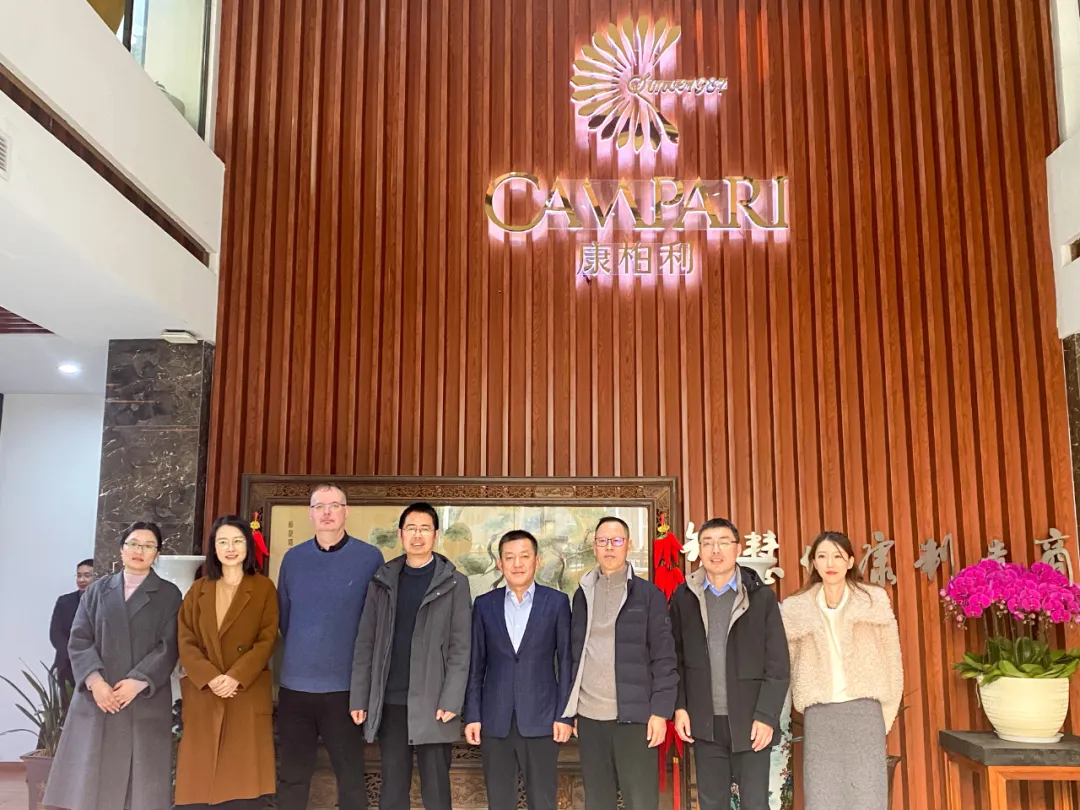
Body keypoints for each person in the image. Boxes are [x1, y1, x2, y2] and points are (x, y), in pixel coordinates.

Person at [42, 522, 182, 810]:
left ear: (157, 554)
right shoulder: (97, 591)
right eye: (133, 544)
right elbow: (79, 639)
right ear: (121, 549)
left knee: (140, 787)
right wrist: (95, 682)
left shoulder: (169, 594)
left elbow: (169, 645)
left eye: (148, 546)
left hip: (143, 698)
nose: (139, 551)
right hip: (99, 698)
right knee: (91, 782)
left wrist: (138, 681)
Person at [350, 502, 472, 810]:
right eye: (411, 529)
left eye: (425, 529)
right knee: (392, 787)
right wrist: (360, 698)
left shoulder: (455, 583)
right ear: (400, 534)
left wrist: (451, 700)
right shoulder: (383, 580)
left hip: (434, 702)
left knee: (436, 789)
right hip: (391, 701)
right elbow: (366, 643)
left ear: (436, 535)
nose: (418, 535)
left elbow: (461, 648)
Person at [668, 517, 790, 810]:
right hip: (705, 722)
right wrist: (680, 707)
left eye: (724, 542)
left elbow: (778, 664)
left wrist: (766, 716)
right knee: (711, 803)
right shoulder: (685, 596)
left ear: (738, 548)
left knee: (754, 803)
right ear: (699, 550)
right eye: (708, 543)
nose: (716, 550)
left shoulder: (761, 597)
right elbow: (675, 658)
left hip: (751, 722)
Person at [276, 483, 384, 810]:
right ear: (309, 514)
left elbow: (376, 622)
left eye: (334, 505)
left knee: (350, 776)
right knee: (292, 775)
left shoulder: (369, 558)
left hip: (345, 689)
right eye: (319, 506)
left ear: (346, 512)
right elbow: (285, 617)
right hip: (295, 688)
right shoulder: (293, 559)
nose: (326, 512)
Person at [561, 516, 678, 810]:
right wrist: (573, 708)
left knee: (641, 802)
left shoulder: (648, 595)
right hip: (589, 717)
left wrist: (660, 713)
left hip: (634, 718)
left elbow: (664, 657)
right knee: (598, 801)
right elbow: (576, 654)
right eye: (602, 541)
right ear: (594, 547)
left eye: (616, 541)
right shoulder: (582, 593)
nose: (609, 547)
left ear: (628, 545)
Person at [780, 530, 903, 810]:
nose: (830, 563)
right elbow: (787, 664)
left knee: (867, 797)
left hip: (865, 712)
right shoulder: (796, 608)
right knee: (822, 796)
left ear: (849, 561)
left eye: (837, 556)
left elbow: (892, 659)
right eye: (822, 556)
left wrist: (885, 715)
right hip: (820, 714)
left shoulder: (873, 601)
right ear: (813, 562)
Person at [463, 530, 574, 810]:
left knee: (543, 801)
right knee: (499, 802)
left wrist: (564, 715)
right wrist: (473, 715)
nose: (517, 564)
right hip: (495, 721)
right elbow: (476, 665)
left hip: (542, 719)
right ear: (500, 563)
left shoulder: (557, 602)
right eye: (509, 557)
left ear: (537, 561)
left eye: (524, 556)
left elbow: (567, 662)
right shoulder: (485, 604)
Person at [174, 515, 279, 809]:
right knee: (199, 784)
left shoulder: (264, 588)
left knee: (241, 784)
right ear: (214, 548)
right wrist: (210, 677)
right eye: (222, 542)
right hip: (205, 691)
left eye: (237, 541)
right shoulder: (198, 589)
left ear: (248, 546)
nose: (230, 548)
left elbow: (267, 638)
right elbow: (185, 639)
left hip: (244, 690)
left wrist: (235, 676)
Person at [49, 558, 94, 700]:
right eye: (79, 575)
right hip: (67, 665)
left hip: (95, 667)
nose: (81, 580)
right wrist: (73, 655)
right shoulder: (64, 601)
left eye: (87, 575)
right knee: (68, 707)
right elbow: (55, 633)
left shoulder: (106, 602)